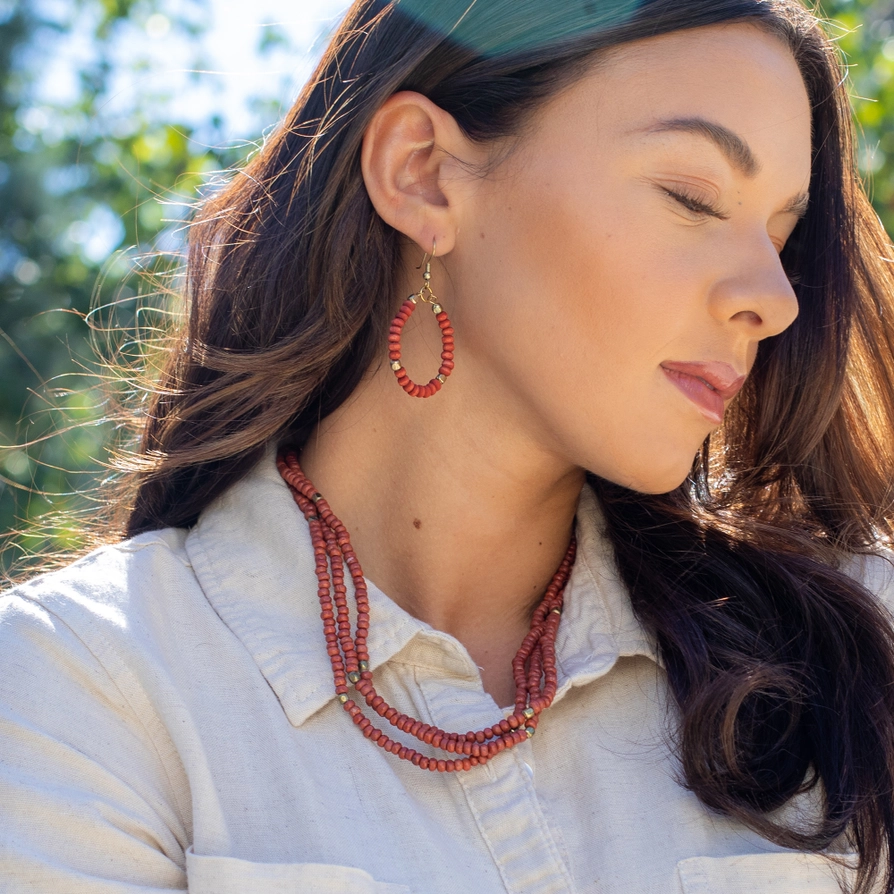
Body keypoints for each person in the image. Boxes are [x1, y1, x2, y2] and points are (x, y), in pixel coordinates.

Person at [3, 0, 894, 891]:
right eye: (692, 197)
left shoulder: (859, 647)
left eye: (780, 233)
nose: (776, 300)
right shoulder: (91, 688)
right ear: (424, 174)